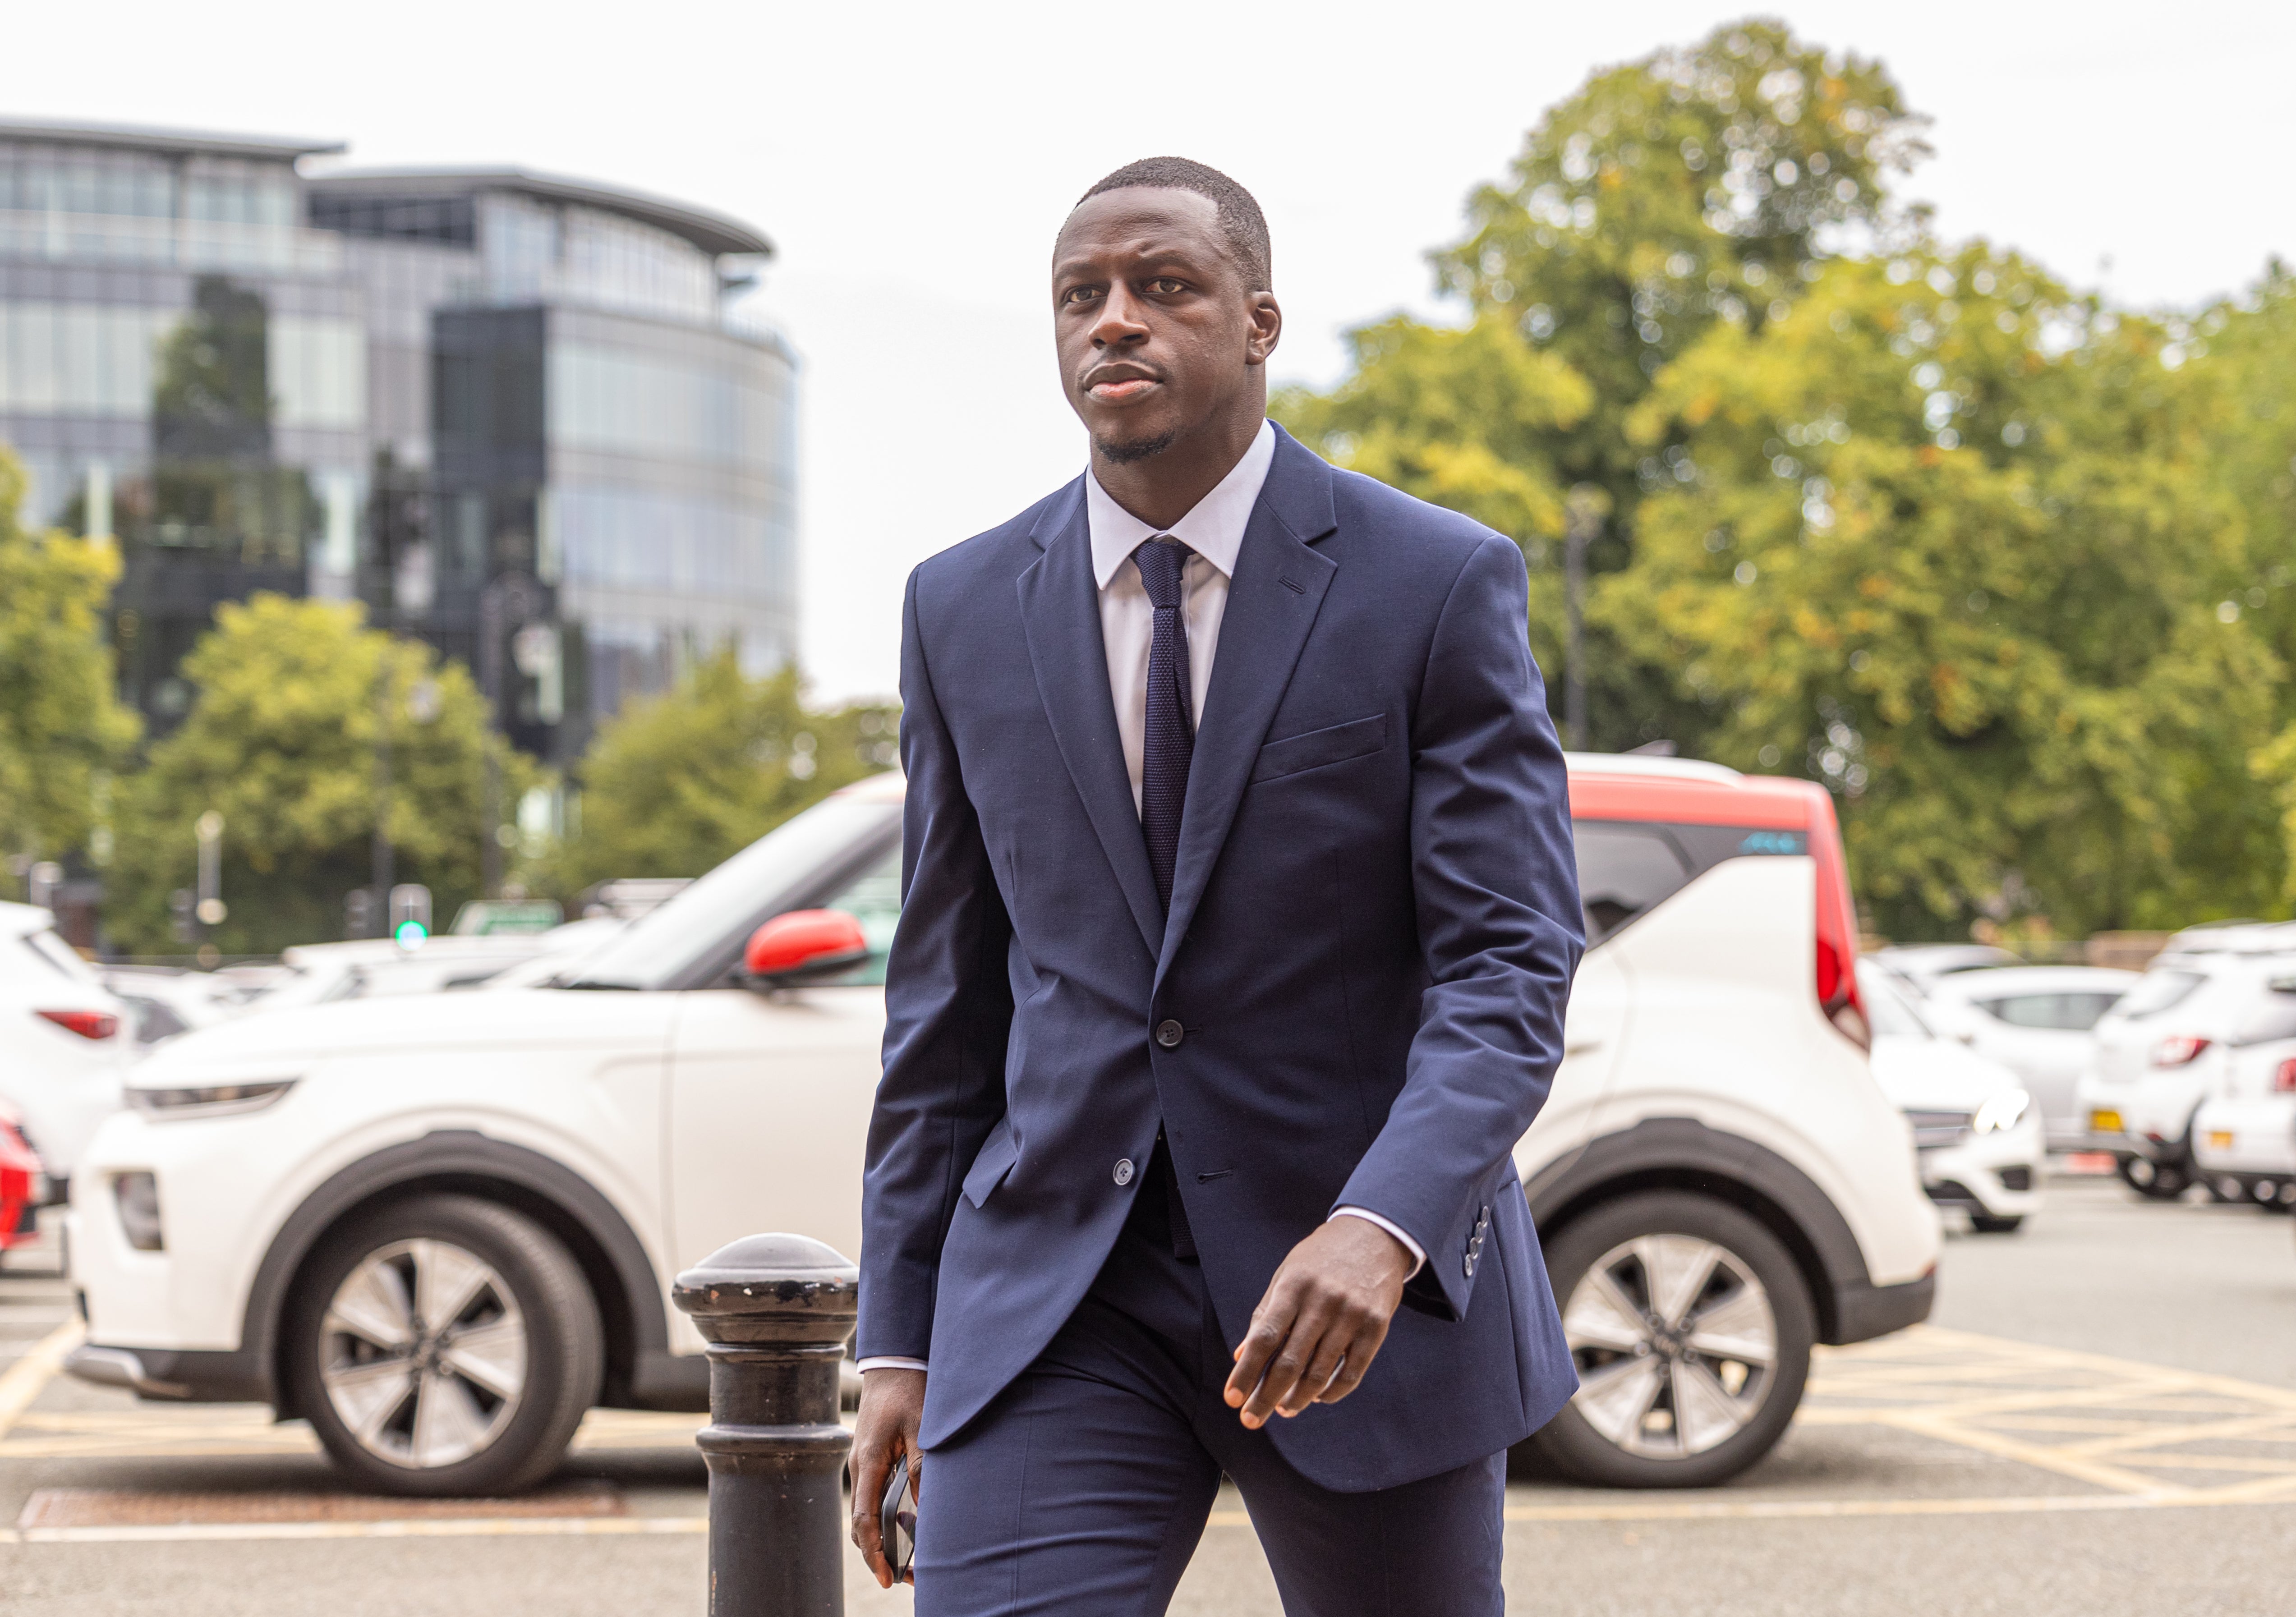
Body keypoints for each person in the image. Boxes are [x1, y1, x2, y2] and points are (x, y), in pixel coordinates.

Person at [849, 155, 1583, 1616]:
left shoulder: (1432, 583)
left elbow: (1506, 965)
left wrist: (1383, 1225)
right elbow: (945, 999)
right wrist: (900, 1335)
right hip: (1062, 1289)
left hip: (1355, 1293)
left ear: (1256, 321)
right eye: (1081, 296)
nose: (1113, 321)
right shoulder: (959, 607)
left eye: (1162, 287)